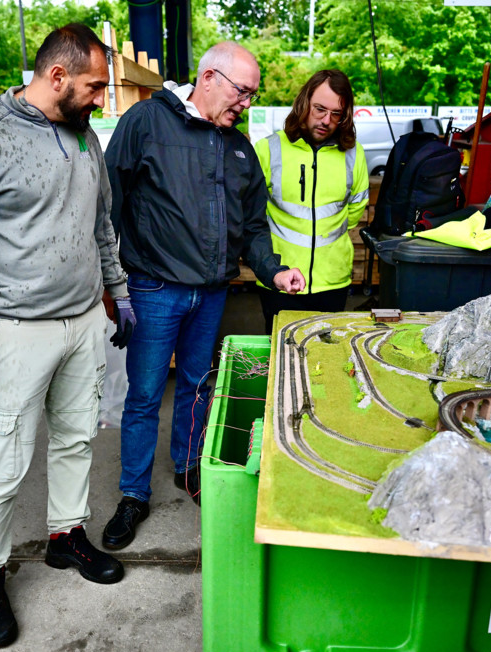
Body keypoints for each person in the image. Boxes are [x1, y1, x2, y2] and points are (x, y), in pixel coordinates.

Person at [0, 24, 135, 649]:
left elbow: (100, 222)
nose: (101, 99)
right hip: (12, 330)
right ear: (56, 76)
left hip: (80, 324)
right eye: (95, 86)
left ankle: (65, 536)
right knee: (3, 461)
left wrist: (118, 293)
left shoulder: (85, 139)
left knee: (76, 438)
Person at [102, 41, 305, 548]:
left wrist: (273, 270)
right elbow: (107, 202)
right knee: (146, 394)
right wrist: (105, 281)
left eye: (254, 96)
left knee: (196, 386)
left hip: (211, 292)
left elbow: (254, 226)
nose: (247, 104)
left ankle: (189, 467)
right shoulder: (147, 122)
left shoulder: (238, 148)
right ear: (209, 77)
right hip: (152, 288)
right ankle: (133, 495)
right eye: (243, 92)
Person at [254, 70, 369, 332]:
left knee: (324, 358)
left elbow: (356, 208)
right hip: (280, 277)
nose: (326, 120)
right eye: (319, 109)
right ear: (304, 103)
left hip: (333, 280)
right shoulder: (268, 149)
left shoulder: (354, 153)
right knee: (281, 354)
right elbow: (252, 216)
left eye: (336, 114)